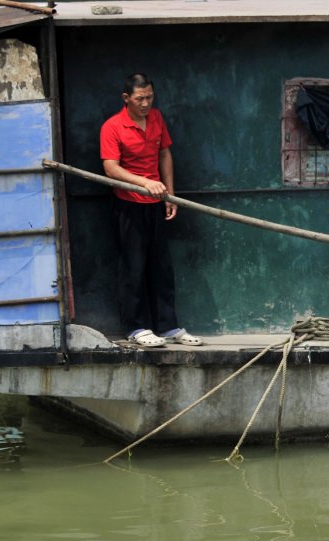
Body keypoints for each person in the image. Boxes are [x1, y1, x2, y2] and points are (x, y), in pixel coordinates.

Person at [100, 73, 202, 347]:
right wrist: (146, 182)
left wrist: (169, 194)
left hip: (156, 202)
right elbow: (110, 167)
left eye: (150, 97)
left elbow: (164, 154)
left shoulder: (156, 118)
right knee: (133, 268)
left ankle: (168, 327)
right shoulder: (112, 126)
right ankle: (136, 328)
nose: (146, 103)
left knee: (161, 268)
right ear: (126, 99)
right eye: (139, 98)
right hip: (128, 205)